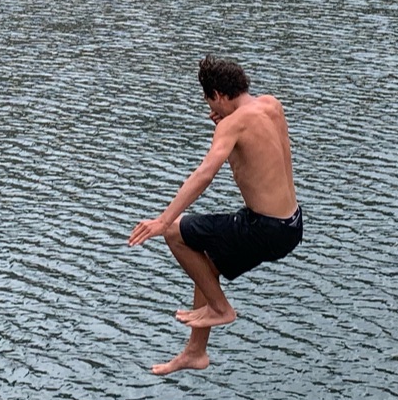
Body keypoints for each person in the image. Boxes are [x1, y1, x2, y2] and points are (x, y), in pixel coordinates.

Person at [127, 57, 303, 375]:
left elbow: (205, 174)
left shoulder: (231, 125)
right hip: (291, 225)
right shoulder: (271, 105)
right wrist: (226, 122)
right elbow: (257, 152)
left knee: (175, 232)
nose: (211, 109)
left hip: (264, 227)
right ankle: (196, 352)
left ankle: (221, 309)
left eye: (210, 102)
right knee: (205, 267)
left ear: (218, 95)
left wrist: (162, 221)